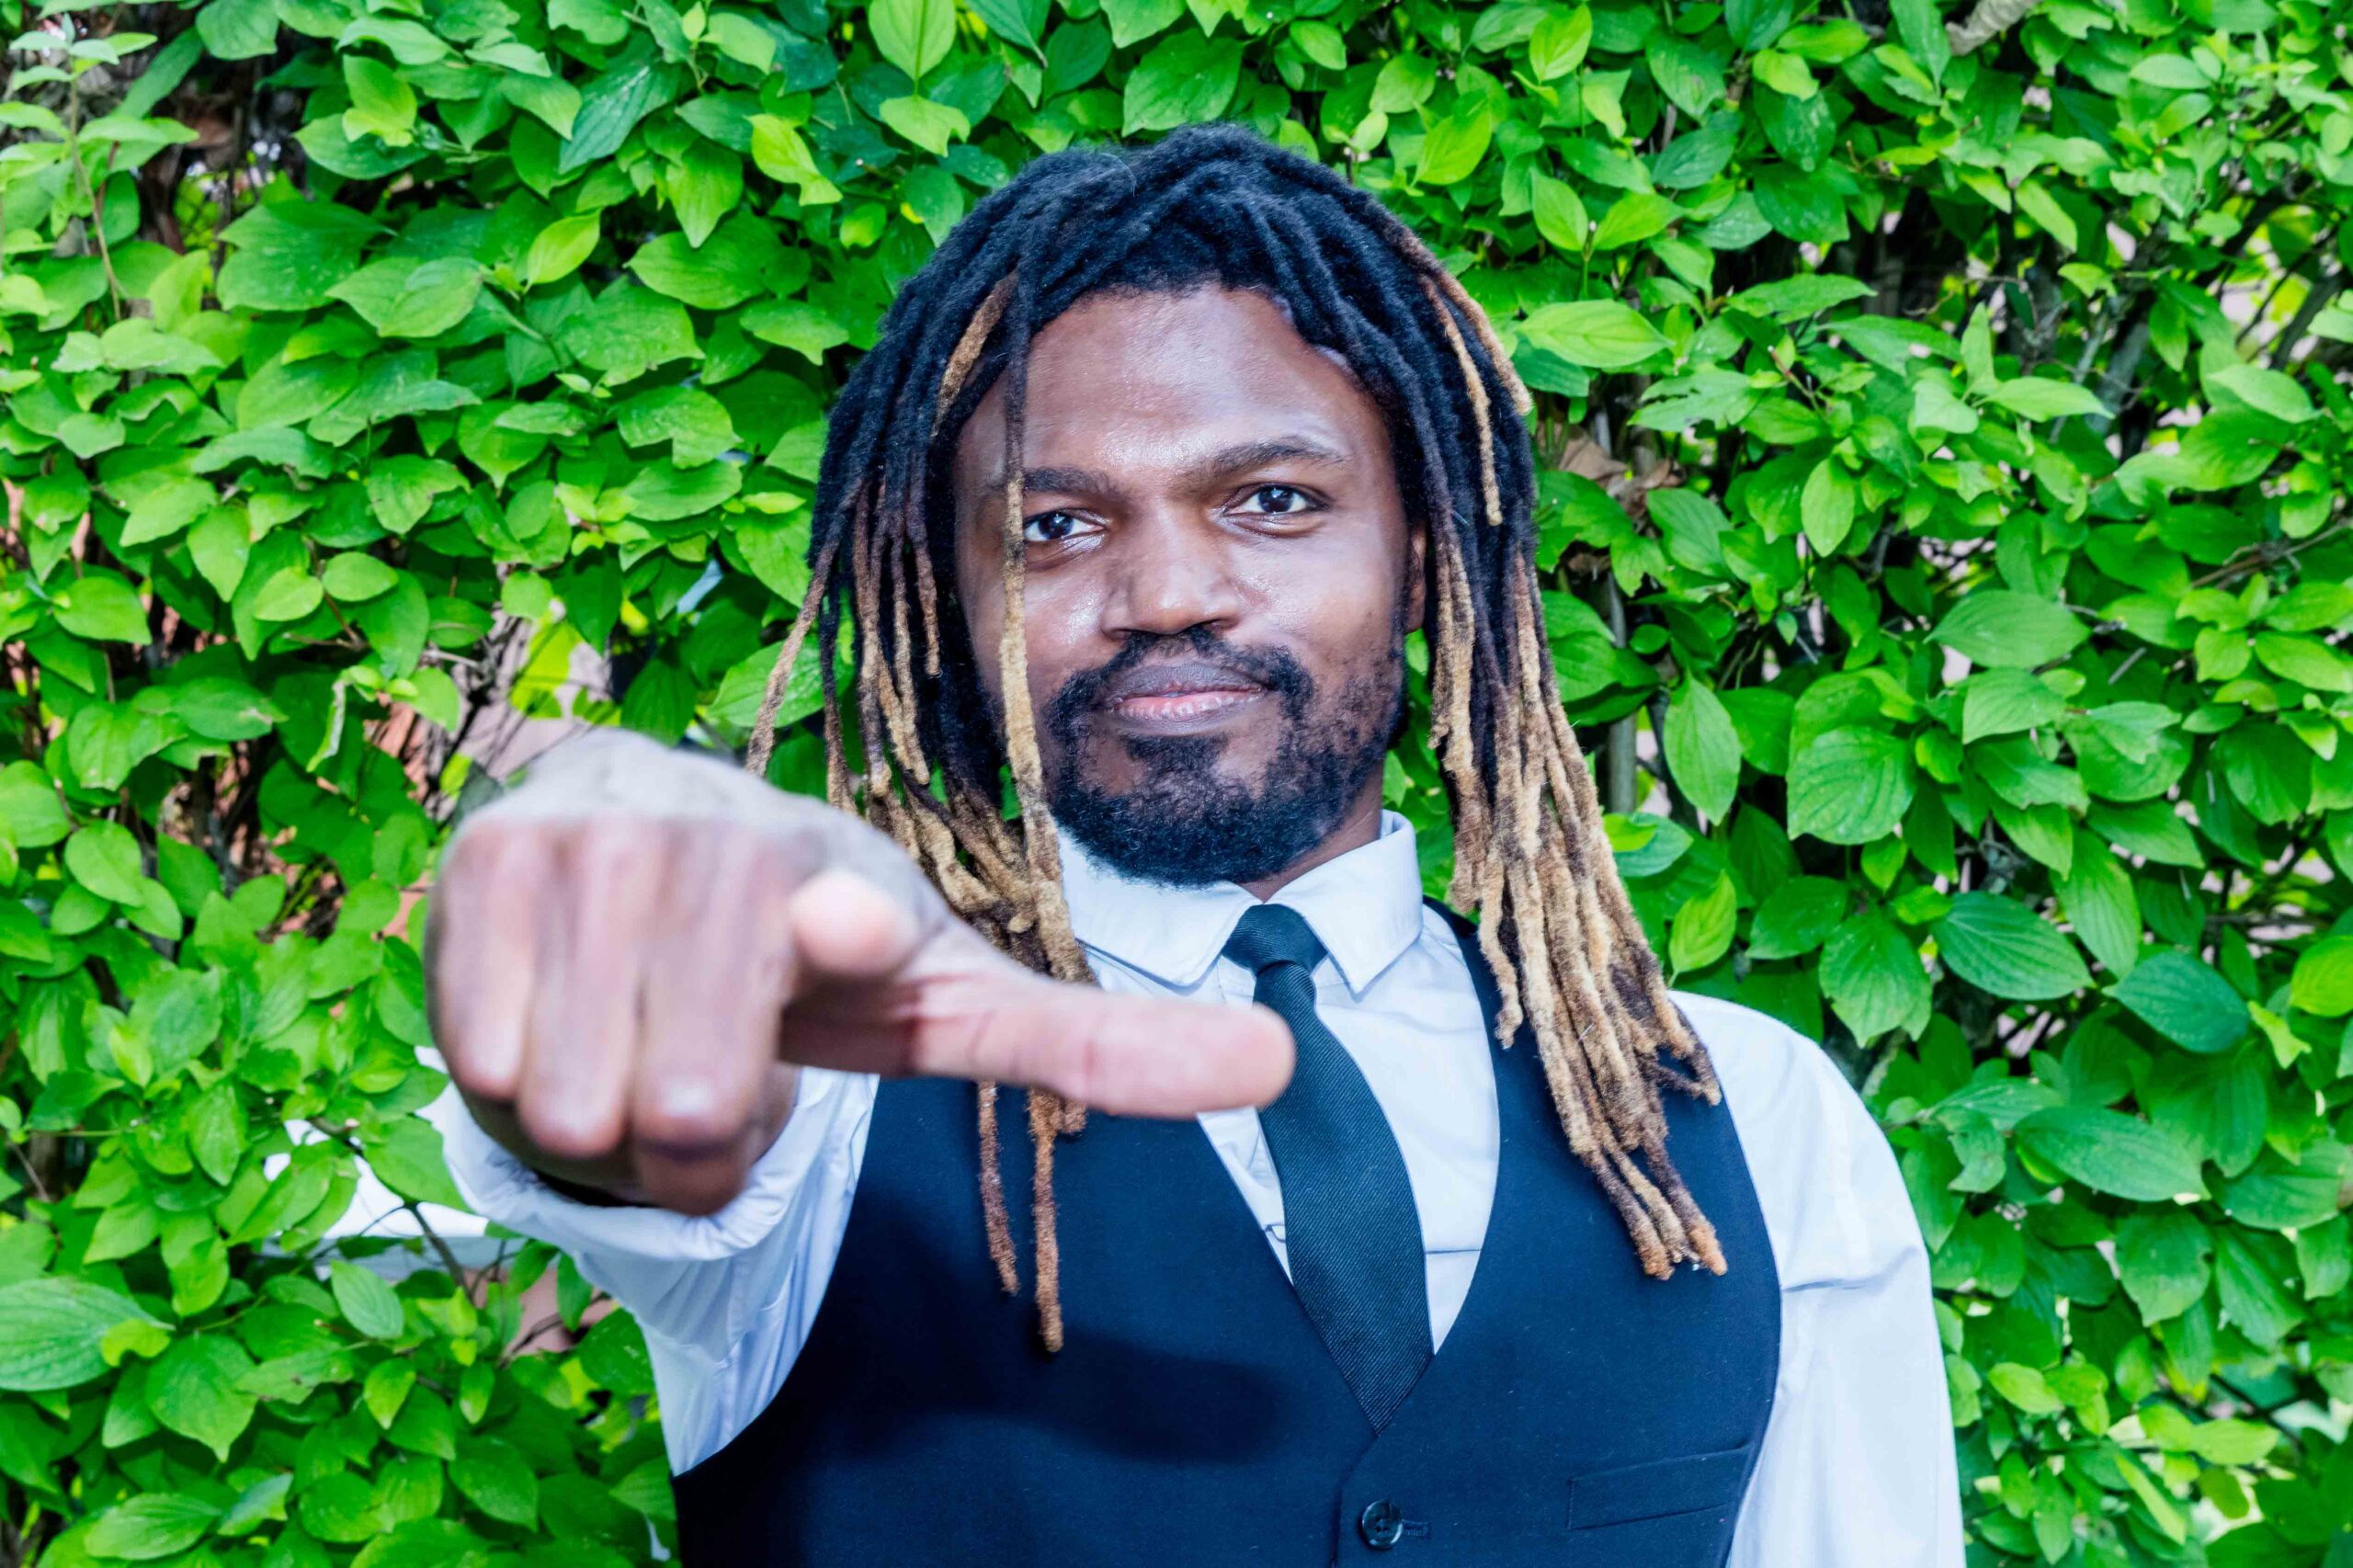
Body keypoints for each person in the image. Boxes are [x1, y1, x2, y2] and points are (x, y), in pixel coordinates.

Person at [425, 125, 1961, 1565]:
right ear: (951, 602)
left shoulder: (1754, 1123)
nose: (1167, 593)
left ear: (1424, 547)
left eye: (1273, 500)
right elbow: (627, 1124)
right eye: (1054, 527)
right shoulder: (830, 1100)